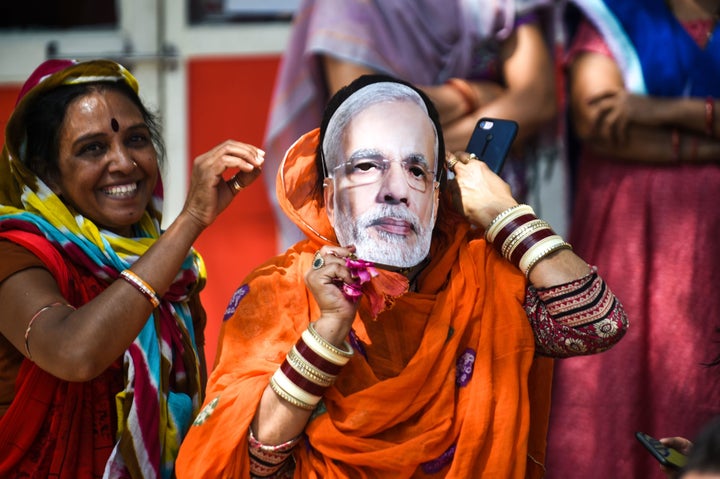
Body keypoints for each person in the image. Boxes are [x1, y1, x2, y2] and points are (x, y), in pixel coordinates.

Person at [176, 74, 628, 478]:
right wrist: (327, 331)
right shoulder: (281, 290)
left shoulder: (482, 277)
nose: (394, 190)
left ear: (439, 195)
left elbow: (598, 325)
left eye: (416, 170)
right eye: (367, 166)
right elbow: (251, 466)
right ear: (329, 197)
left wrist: (501, 212)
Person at [0, 59, 265, 477]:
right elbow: (75, 353)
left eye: (137, 140)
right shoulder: (16, 252)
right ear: (46, 171)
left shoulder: (175, 274)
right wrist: (190, 221)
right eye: (93, 148)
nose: (124, 162)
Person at [545, 0, 720, 477]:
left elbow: (625, 117)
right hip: (632, 230)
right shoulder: (616, 15)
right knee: (620, 370)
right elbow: (598, 124)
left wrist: (656, 110)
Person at [262, 0, 566, 252]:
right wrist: (469, 94)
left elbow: (536, 100)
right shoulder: (347, 6)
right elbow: (366, 109)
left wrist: (419, 148)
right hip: (389, 216)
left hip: (485, 209)